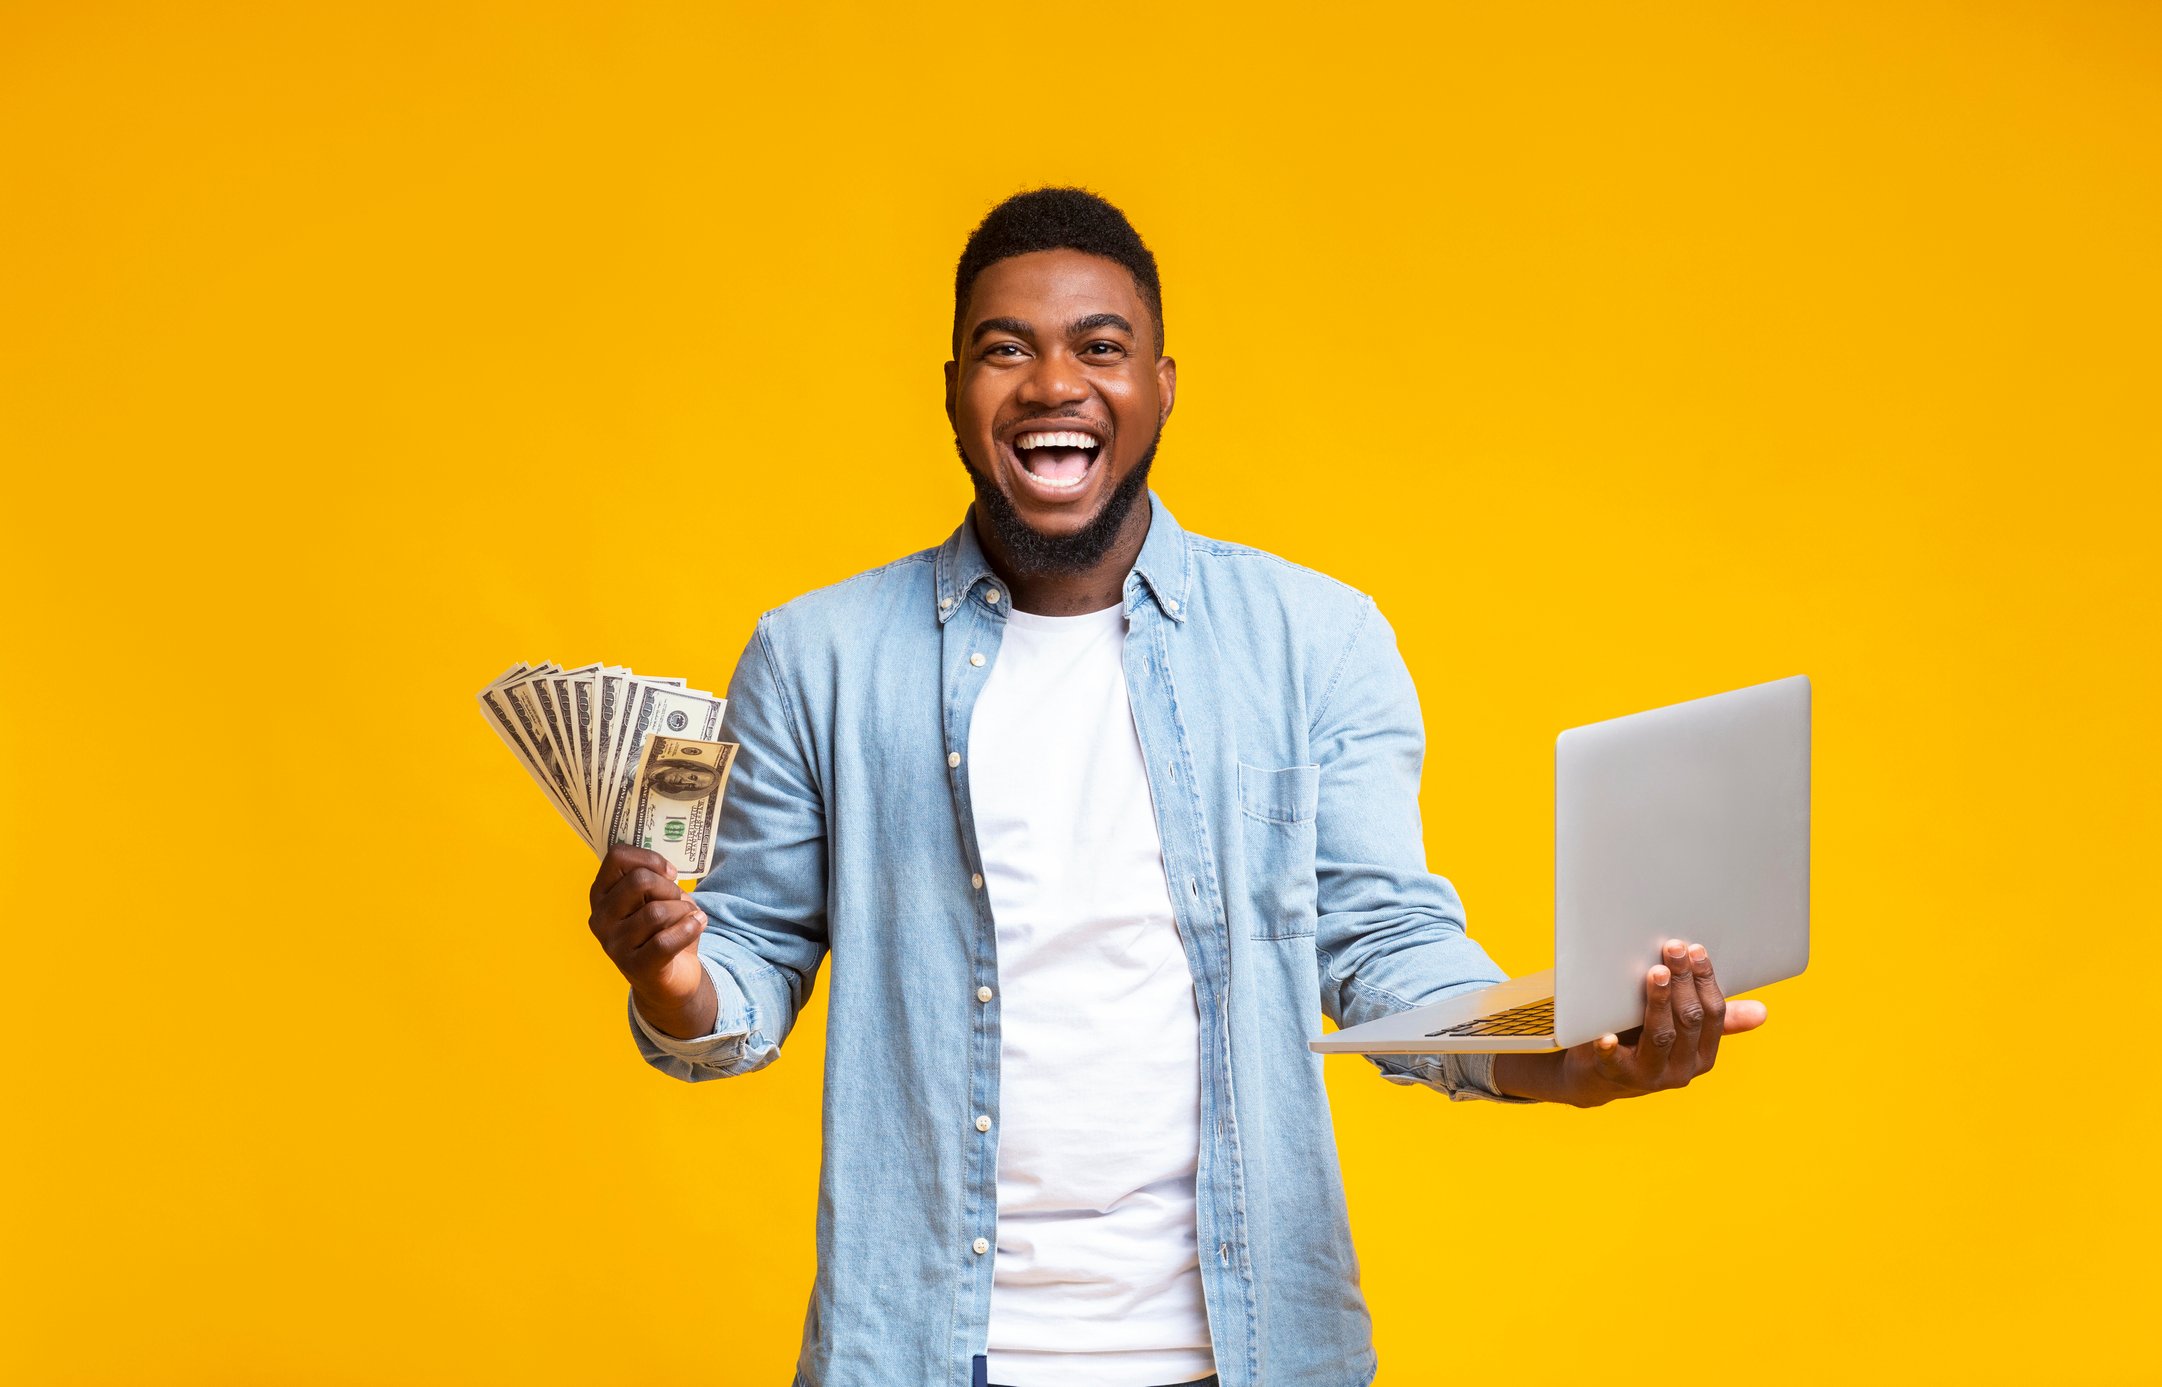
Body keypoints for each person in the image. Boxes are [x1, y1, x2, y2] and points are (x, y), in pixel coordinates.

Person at [584, 187, 1768, 1387]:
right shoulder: (817, 658)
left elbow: (1385, 953)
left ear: (1159, 384)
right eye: (1007, 349)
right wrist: (672, 972)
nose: (1054, 383)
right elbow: (737, 990)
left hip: (1247, 1355)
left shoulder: (1315, 638)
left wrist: (1567, 1050)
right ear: (951, 390)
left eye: (1100, 347)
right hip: (923, 1354)